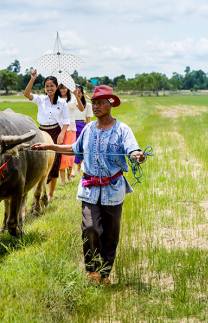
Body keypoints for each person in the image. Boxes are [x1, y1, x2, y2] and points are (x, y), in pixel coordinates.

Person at [30, 85, 145, 284]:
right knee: (90, 227)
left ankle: (105, 273)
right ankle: (92, 270)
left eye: (100, 103)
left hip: (113, 188)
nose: (96, 106)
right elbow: (74, 149)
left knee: (110, 233)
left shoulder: (122, 130)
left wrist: (136, 156)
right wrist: (49, 146)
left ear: (111, 104)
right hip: (90, 188)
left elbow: (133, 149)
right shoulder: (89, 129)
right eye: (94, 103)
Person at [24, 69, 69, 202]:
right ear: (44, 88)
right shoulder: (40, 99)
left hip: (55, 132)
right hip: (41, 132)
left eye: (52, 86)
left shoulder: (62, 103)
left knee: (55, 164)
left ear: (56, 87)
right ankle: (37, 191)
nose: (49, 88)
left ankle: (50, 194)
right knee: (38, 161)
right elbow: (26, 94)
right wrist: (32, 79)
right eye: (47, 86)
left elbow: (66, 122)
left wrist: (61, 135)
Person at [58, 84, 85, 185]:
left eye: (64, 88)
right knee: (60, 154)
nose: (62, 90)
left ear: (67, 88)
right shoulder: (56, 98)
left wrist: (77, 96)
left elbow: (81, 109)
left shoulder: (73, 98)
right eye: (60, 88)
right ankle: (62, 179)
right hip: (59, 128)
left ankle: (69, 176)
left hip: (70, 128)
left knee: (69, 153)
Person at [72, 85, 93, 177]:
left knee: (81, 148)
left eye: (79, 92)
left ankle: (79, 167)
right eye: (75, 92)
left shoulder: (87, 105)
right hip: (72, 126)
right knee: (71, 147)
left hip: (82, 127)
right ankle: (72, 168)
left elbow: (88, 119)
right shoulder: (71, 103)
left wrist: (88, 131)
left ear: (82, 93)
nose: (77, 94)